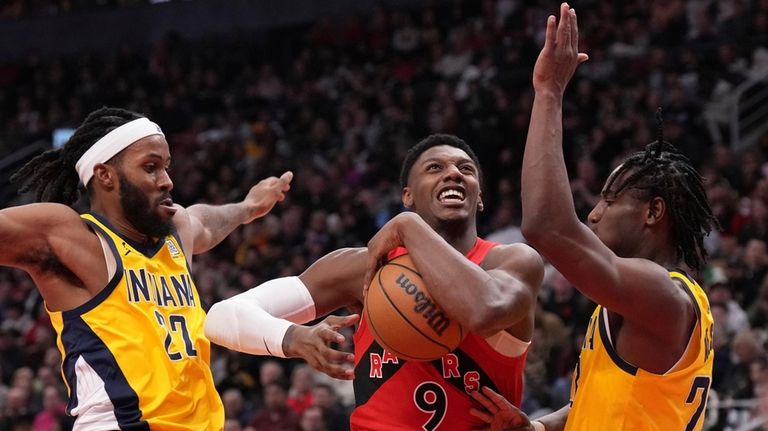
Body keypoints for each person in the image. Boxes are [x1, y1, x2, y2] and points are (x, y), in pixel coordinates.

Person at [471, 4, 718, 431]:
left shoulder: (662, 294)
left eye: (609, 200)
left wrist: (548, 91)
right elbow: (604, 402)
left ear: (653, 212)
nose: (593, 212)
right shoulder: (640, 300)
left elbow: (547, 226)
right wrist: (539, 427)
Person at [205, 133, 544, 430]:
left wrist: (408, 227)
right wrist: (293, 338)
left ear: (480, 196)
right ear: (407, 196)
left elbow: (485, 310)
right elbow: (221, 317)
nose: (454, 173)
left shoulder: (512, 262)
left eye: (465, 169)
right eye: (435, 168)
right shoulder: (365, 268)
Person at [0, 107, 292, 430]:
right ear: (105, 175)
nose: (167, 181)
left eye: (166, 167)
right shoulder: (78, 240)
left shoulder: (175, 233)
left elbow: (205, 222)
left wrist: (248, 207)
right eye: (151, 168)